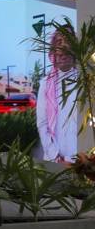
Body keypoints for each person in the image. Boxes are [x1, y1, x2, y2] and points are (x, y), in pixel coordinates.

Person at [37, 28, 79, 163]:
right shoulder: (46, 84)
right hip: (54, 160)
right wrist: (57, 158)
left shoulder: (85, 81)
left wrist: (79, 158)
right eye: (59, 46)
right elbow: (42, 124)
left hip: (83, 159)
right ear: (53, 53)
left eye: (67, 46)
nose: (63, 55)